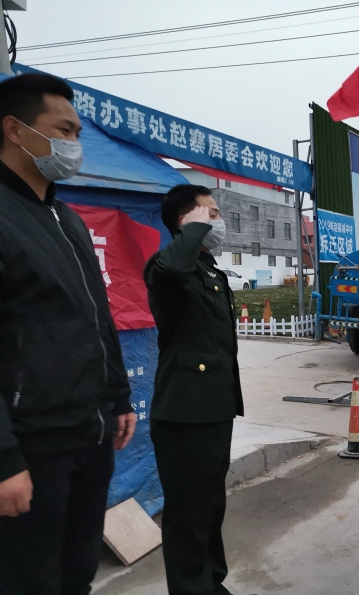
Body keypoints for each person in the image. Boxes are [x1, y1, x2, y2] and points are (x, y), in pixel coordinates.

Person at [0, 73, 136, 593]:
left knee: (79, 570)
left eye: (77, 133)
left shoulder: (67, 218)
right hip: (33, 445)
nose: (74, 144)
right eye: (63, 130)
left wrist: (118, 398)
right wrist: (4, 460)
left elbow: (98, 317)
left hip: (90, 435)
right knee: (31, 579)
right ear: (15, 129)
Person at [145, 184, 244, 595]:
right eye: (211, 213)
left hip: (215, 408)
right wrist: (192, 230)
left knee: (210, 507)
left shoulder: (211, 271)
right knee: (187, 515)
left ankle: (212, 584)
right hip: (184, 414)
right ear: (186, 221)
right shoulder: (166, 266)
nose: (218, 221)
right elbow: (173, 270)